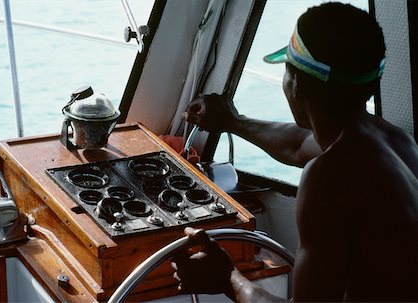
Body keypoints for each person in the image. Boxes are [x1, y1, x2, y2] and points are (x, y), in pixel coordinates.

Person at [172, 2, 418, 302]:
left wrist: (228, 278)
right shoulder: (398, 143)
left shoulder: (329, 175)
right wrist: (232, 121)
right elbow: (297, 143)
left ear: (296, 83)